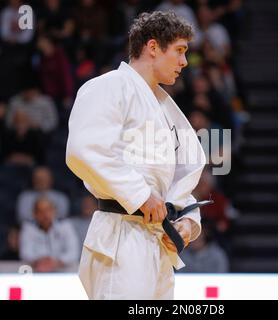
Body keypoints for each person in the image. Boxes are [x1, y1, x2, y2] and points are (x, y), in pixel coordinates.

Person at [66, 11, 207, 299]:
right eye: (179, 51)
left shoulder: (165, 109)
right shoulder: (108, 86)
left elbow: (171, 179)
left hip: (157, 241)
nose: (184, 62)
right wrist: (140, 194)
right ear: (153, 48)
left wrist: (189, 220)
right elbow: (84, 150)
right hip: (121, 235)